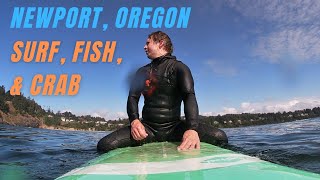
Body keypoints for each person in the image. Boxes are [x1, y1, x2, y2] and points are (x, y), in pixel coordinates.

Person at [97, 31, 228, 153]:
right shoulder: (142, 72)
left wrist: (192, 129)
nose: (144, 47)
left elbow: (189, 96)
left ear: (160, 43)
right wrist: (134, 121)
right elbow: (133, 97)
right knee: (105, 145)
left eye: (148, 43)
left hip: (175, 128)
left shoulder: (179, 68)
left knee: (220, 137)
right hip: (147, 129)